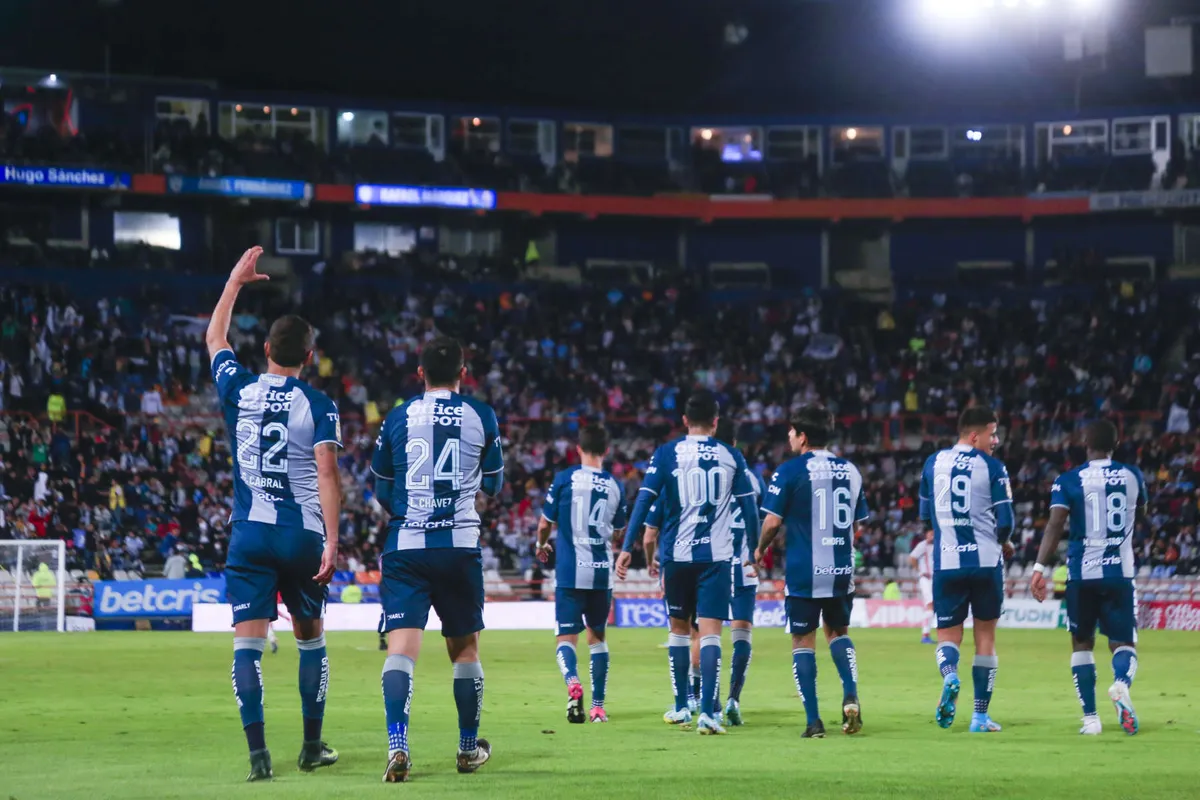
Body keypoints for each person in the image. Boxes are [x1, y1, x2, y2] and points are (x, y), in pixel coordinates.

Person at [207, 246, 342, 781]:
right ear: (309, 356)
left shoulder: (239, 388)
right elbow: (327, 474)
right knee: (311, 640)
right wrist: (333, 541)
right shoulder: (319, 405)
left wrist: (234, 283)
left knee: (247, 646)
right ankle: (310, 747)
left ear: (265, 349)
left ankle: (259, 757)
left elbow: (215, 339)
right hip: (301, 534)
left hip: (250, 534)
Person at [372, 336, 504, 782]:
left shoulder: (397, 416)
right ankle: (467, 749)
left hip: (406, 547)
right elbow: (494, 486)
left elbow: (383, 489)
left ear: (420, 373)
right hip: (458, 547)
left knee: (400, 651)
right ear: (463, 374)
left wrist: (409, 512)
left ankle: (397, 745)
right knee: (464, 649)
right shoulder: (481, 415)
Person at [615, 390, 758, 735]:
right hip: (716, 559)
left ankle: (682, 706)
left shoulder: (667, 453)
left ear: (684, 420)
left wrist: (627, 545)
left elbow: (644, 499)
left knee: (679, 632)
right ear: (715, 422)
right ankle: (708, 712)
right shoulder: (731, 455)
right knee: (710, 634)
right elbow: (749, 508)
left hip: (676, 556)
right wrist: (754, 550)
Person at [754, 405, 868, 739]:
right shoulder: (850, 470)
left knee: (803, 641)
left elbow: (772, 522)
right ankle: (850, 694)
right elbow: (857, 525)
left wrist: (760, 549)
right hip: (841, 569)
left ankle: (813, 721)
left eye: (791, 432)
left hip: (804, 570)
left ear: (802, 436)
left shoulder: (789, 471)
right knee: (838, 633)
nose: (789, 437)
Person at [1029, 420, 1145, 736]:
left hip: (1082, 574)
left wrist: (1039, 568)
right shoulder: (1133, 475)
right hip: (1120, 572)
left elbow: (1055, 525)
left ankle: (1091, 719)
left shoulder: (1068, 480)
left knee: (1082, 643)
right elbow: (1141, 514)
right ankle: (1121, 684)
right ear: (1116, 444)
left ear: (1086, 444)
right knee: (1124, 642)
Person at [919, 407, 1014, 734]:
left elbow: (925, 516)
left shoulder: (933, 463)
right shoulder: (993, 467)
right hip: (986, 563)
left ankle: (950, 676)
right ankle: (979, 718)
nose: (996, 440)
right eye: (992, 434)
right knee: (985, 637)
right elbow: (1006, 522)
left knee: (948, 637)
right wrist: (1005, 541)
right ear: (975, 436)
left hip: (947, 563)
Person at [535, 424, 627, 724]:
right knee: (597, 639)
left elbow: (544, 524)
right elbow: (619, 531)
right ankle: (598, 708)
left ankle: (573, 682)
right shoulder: (615, 486)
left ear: (578, 448)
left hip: (569, 573)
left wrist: (540, 544)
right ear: (606, 451)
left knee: (565, 639)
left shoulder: (565, 479)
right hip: (601, 574)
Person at [716, 418, 764, 726]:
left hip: (713, 565)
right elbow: (762, 519)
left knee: (706, 633)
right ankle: (733, 698)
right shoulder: (752, 479)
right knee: (742, 633)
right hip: (745, 566)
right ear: (735, 443)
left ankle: (706, 701)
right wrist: (758, 552)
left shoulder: (708, 473)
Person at [909, 529, 935, 644]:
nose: (932, 536)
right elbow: (912, 558)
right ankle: (925, 635)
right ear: (926, 534)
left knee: (934, 606)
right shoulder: (923, 545)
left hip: (937, 579)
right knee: (930, 605)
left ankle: (927, 634)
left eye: (934, 533)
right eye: (930, 534)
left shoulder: (939, 544)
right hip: (927, 579)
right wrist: (920, 571)